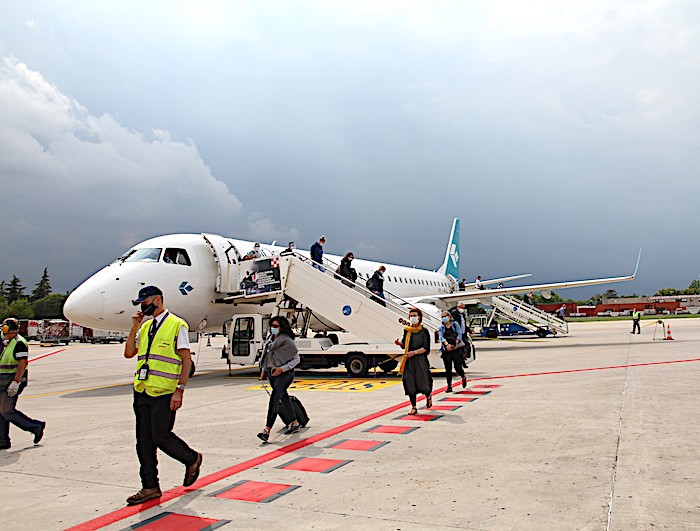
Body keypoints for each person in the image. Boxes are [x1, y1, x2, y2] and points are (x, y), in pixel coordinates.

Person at [124, 286, 202, 506]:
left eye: (145, 301)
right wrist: (134, 328)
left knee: (161, 436)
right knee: (143, 442)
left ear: (157, 300)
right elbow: (129, 353)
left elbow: (186, 360)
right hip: (142, 390)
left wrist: (180, 389)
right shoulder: (146, 326)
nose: (142, 306)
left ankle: (191, 458)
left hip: (165, 392)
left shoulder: (177, 325)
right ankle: (150, 486)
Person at [0, 318, 45, 450]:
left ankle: (35, 426)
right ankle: (2, 440)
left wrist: (16, 382)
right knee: (0, 411)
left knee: (7, 411)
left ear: (6, 328)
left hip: (13, 380)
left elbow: (22, 363)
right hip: (2, 380)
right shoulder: (5, 341)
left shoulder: (19, 343)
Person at [257, 316, 301, 442]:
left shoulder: (287, 341)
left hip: (284, 373)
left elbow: (296, 359)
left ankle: (267, 430)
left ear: (282, 327)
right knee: (284, 397)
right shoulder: (270, 340)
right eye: (272, 326)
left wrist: (282, 368)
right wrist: (264, 371)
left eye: (276, 326)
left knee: (275, 398)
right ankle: (295, 422)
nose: (273, 328)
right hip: (272, 372)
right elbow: (267, 357)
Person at [395, 308, 432, 415]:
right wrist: (399, 344)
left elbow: (426, 348)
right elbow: (404, 345)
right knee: (409, 381)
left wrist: (414, 352)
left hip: (420, 360)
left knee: (422, 382)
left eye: (414, 315)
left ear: (419, 317)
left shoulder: (424, 331)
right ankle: (414, 406)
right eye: (411, 315)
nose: (412, 317)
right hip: (409, 361)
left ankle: (428, 395)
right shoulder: (407, 330)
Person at [438, 311, 467, 393]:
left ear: (449, 317)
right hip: (447, 350)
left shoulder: (455, 324)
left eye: (445, 316)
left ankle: (463, 376)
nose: (444, 318)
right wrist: (447, 345)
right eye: (442, 316)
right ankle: (449, 386)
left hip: (456, 348)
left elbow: (459, 334)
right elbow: (441, 337)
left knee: (458, 367)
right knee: (448, 369)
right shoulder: (441, 327)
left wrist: (456, 343)